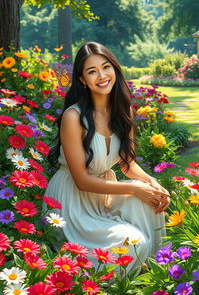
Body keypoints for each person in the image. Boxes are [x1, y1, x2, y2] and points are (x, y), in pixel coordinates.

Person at [45, 42, 170, 272]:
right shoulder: (74, 117)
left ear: (115, 69)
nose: (102, 76)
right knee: (134, 242)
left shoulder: (124, 111)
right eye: (92, 71)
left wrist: (153, 184)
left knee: (148, 199)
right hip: (71, 204)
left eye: (106, 67)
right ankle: (112, 281)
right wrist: (135, 189)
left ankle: (153, 272)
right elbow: (82, 180)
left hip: (102, 196)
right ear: (82, 79)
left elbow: (127, 164)